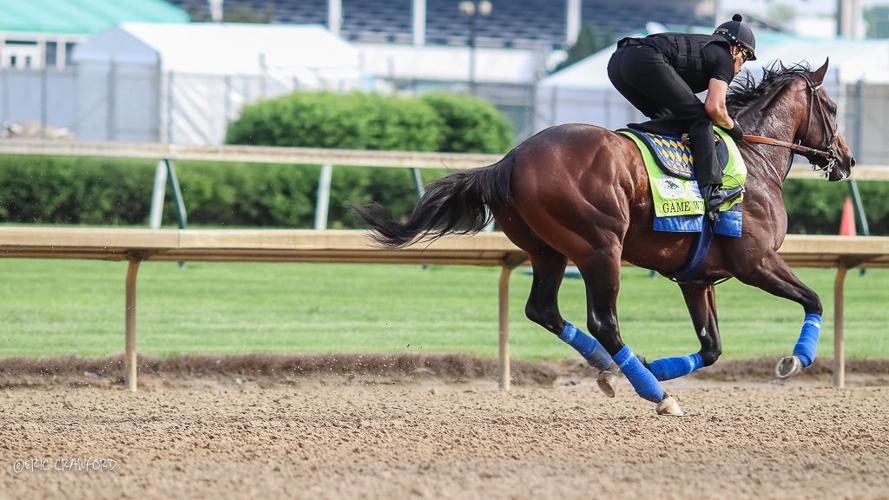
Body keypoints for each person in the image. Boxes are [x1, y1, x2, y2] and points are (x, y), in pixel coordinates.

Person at [607, 14, 756, 219]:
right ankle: (712, 192)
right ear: (735, 49)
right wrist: (733, 127)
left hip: (617, 63)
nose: (741, 66)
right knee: (700, 119)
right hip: (644, 59)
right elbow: (715, 108)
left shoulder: (707, 48)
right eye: (745, 57)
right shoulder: (724, 56)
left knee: (671, 119)